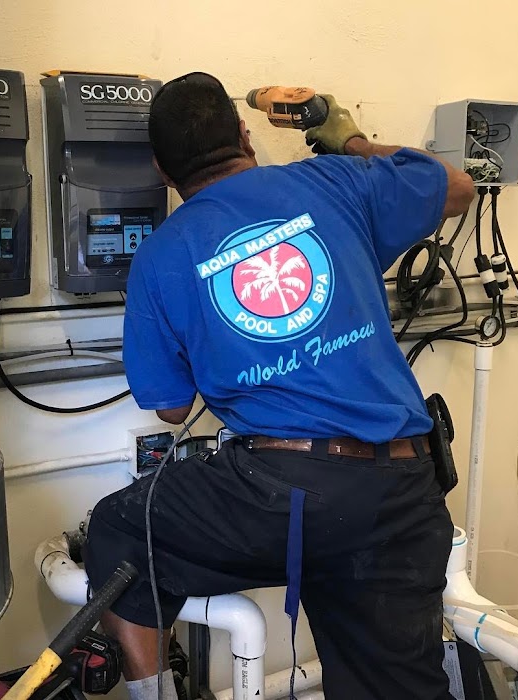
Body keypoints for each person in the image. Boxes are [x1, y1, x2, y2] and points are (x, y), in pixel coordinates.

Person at [84, 72, 475, 700]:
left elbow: (172, 408)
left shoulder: (160, 256)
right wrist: (350, 142)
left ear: (161, 169)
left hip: (282, 495)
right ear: (245, 135)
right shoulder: (335, 180)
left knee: (120, 529)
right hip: (404, 486)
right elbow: (458, 187)